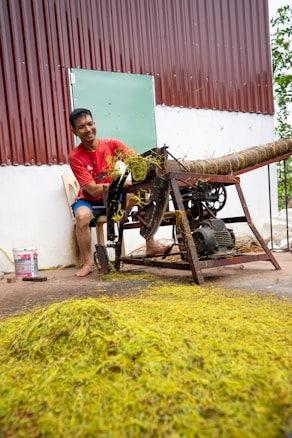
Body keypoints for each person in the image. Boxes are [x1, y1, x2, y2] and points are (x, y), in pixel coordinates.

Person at [68, 108, 169, 277]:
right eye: (81, 127)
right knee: (82, 216)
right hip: (90, 201)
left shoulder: (113, 145)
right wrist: (121, 184)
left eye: (90, 124)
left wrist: (149, 167)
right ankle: (87, 263)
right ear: (74, 131)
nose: (88, 129)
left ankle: (150, 244)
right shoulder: (75, 156)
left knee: (143, 196)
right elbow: (92, 190)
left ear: (95, 123)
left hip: (114, 198)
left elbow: (137, 161)